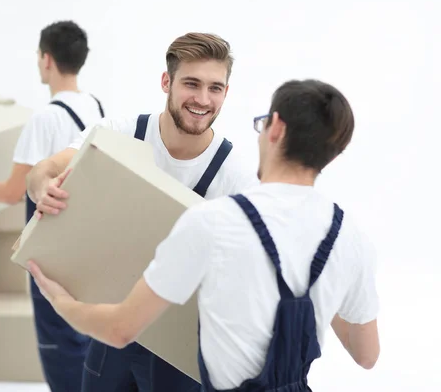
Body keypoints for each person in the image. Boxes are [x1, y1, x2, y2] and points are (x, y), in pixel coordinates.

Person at [27, 79, 381, 391]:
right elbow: (367, 355)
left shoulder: (213, 221)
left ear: (275, 129)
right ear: (333, 154)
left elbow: (121, 330)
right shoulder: (351, 238)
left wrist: (62, 303)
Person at [25, 32, 259, 392]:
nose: (202, 99)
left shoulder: (236, 176)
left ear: (226, 93)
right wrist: (43, 184)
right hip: (111, 327)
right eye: (191, 84)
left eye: (215, 88)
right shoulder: (120, 134)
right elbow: (46, 169)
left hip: (181, 349)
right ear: (166, 82)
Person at [0, 20, 105, 392]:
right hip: (90, 245)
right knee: (88, 340)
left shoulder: (44, 119)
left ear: (45, 59)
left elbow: (14, 192)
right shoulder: (96, 107)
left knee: (59, 346)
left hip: (52, 251)